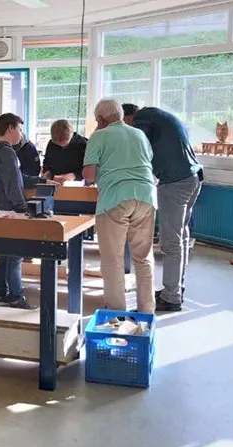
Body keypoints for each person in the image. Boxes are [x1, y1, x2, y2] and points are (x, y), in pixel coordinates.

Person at [122, 104, 202, 312]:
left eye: (124, 124)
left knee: (171, 243)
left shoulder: (142, 121)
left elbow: (141, 152)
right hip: (193, 177)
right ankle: (174, 289)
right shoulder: (158, 116)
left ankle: (171, 298)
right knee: (181, 239)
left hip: (175, 182)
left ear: (129, 118)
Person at [83, 99, 156, 313]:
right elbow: (147, 160)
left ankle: (117, 313)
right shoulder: (138, 134)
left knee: (112, 260)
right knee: (143, 257)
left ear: (100, 119)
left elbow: (89, 175)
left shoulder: (99, 135)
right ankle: (147, 311)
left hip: (115, 199)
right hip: (146, 196)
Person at [0, 113, 35, 310]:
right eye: (20, 129)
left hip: (0, 208)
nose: (21, 134)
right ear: (11, 128)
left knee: (5, 253)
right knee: (16, 255)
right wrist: (22, 208)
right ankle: (15, 295)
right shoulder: (7, 153)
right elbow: (12, 184)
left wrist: (41, 181)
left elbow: (17, 177)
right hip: (10, 210)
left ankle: (0, 292)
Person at [43, 119, 88, 183]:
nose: (62, 146)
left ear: (71, 135)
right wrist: (47, 172)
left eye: (65, 142)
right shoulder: (51, 144)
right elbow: (47, 161)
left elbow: (90, 169)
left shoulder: (83, 144)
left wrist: (74, 175)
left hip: (76, 183)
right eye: (58, 144)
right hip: (55, 182)